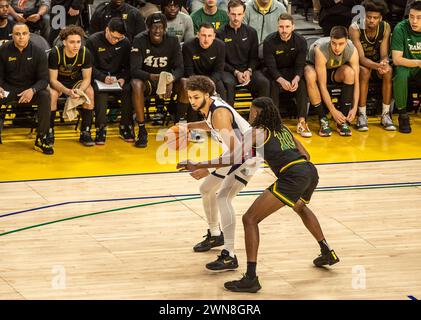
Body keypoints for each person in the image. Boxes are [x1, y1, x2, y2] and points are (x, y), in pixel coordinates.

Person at [177, 96, 340, 293]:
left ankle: (251, 278)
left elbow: (232, 157)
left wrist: (200, 164)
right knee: (299, 207)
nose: (250, 113)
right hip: (309, 171)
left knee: (250, 219)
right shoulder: (284, 130)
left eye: (253, 111)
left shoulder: (254, 132)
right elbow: (306, 154)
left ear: (258, 113)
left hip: (292, 176)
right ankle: (326, 251)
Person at [176, 75, 262, 272]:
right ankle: (215, 234)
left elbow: (237, 152)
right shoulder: (210, 107)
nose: (192, 102)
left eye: (196, 97)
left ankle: (229, 255)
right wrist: (189, 126)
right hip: (236, 153)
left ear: (207, 94)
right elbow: (212, 126)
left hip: (249, 156)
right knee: (206, 189)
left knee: (223, 197)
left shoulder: (219, 113)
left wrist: (206, 167)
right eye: (189, 97)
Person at [130, 12, 184, 147]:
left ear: (165, 27)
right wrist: (153, 77)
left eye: (161, 27)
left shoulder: (173, 40)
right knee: (136, 84)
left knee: (185, 83)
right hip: (148, 80)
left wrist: (170, 79)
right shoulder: (139, 40)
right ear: (148, 27)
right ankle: (142, 130)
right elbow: (134, 70)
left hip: (167, 81)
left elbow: (180, 68)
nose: (157, 30)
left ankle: (179, 127)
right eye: (154, 27)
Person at [0, 23, 52, 154]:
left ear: (29, 35)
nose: (21, 37)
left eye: (24, 34)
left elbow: (44, 79)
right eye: (17, 34)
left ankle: (41, 138)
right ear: (12, 36)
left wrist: (32, 90)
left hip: (30, 89)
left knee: (45, 96)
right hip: (9, 89)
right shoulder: (3, 50)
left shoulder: (38, 52)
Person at [304, 26, 360, 137]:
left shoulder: (352, 50)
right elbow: (322, 85)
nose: (337, 47)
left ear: (346, 41)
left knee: (350, 73)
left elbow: (357, 82)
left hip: (334, 70)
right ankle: (323, 119)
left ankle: (342, 120)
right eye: (334, 43)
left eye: (341, 44)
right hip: (314, 68)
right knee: (310, 74)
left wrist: (354, 108)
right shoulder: (321, 49)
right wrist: (333, 110)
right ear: (330, 40)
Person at [86, 17, 134, 145]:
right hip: (98, 77)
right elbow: (88, 66)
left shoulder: (125, 42)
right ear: (107, 29)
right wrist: (102, 78)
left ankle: (125, 127)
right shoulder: (93, 41)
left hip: (118, 78)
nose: (116, 41)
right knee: (100, 93)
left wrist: (123, 78)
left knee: (129, 89)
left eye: (119, 38)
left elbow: (130, 66)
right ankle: (101, 129)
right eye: (114, 37)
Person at [349, 0, 395, 131]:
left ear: (380, 18)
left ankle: (385, 114)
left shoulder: (385, 27)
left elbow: (384, 54)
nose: (371, 20)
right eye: (369, 17)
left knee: (388, 71)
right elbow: (361, 58)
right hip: (358, 63)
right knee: (364, 71)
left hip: (375, 62)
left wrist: (384, 63)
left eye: (375, 18)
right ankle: (362, 115)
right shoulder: (355, 28)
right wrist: (377, 66)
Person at [263, 13, 309, 137]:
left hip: (292, 72)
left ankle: (302, 122)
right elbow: (270, 67)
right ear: (277, 27)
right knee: (273, 85)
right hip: (275, 73)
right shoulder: (269, 41)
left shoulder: (301, 41)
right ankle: (275, 123)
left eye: (287, 27)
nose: (284, 30)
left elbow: (300, 64)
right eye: (281, 27)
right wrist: (281, 81)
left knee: (302, 85)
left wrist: (297, 78)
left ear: (293, 27)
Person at [216, 0, 270, 107]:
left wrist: (249, 71)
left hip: (248, 70)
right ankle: (229, 118)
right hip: (229, 71)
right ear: (228, 13)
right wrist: (236, 72)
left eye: (239, 14)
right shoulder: (219, 33)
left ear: (244, 14)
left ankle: (261, 118)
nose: (236, 18)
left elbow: (254, 57)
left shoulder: (251, 32)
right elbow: (221, 61)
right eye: (233, 14)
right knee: (228, 84)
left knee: (264, 82)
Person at [48, 25, 95, 146]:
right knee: (52, 94)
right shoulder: (55, 53)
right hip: (59, 82)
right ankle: (49, 131)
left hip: (76, 83)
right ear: (64, 42)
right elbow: (52, 80)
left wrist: (79, 91)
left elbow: (87, 78)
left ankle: (85, 132)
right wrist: (68, 92)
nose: (76, 45)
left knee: (89, 92)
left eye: (78, 42)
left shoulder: (85, 53)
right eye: (72, 42)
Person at [180, 23, 226, 122]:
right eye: (203, 35)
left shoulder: (220, 46)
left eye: (209, 36)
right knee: (194, 91)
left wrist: (209, 83)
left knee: (221, 88)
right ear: (198, 35)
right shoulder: (188, 46)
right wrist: (200, 84)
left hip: (212, 78)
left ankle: (219, 122)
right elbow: (189, 71)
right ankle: (194, 125)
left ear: (214, 36)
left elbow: (219, 70)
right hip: (194, 78)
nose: (206, 39)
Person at [391, 0, 421, 133]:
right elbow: (397, 60)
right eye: (411, 16)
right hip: (407, 66)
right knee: (400, 73)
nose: (414, 21)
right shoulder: (400, 28)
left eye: (419, 18)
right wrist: (419, 63)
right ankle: (403, 115)